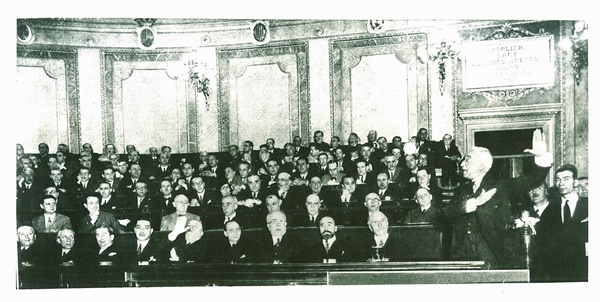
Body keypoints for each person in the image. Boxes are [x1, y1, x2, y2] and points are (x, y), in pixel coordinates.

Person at [443, 130, 552, 269]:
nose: (462, 164)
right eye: (463, 160)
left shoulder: (501, 185)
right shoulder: (461, 189)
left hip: (492, 259)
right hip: (461, 258)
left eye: (468, 159)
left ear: (483, 165)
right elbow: (446, 214)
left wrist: (541, 157)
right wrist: (472, 204)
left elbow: (531, 180)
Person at [538, 164, 588, 282]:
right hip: (557, 274)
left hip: (584, 271)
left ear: (575, 182)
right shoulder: (549, 210)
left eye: (566, 179)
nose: (561, 183)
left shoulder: (589, 206)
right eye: (558, 180)